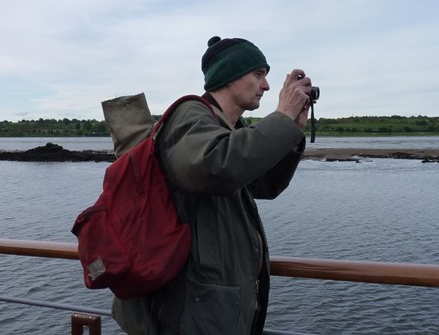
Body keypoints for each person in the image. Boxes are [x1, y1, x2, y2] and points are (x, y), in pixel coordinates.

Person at [113, 36, 313, 334]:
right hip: (190, 312)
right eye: (258, 74)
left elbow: (267, 184)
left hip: (212, 309)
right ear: (229, 75)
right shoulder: (190, 114)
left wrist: (292, 132)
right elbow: (215, 169)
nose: (267, 86)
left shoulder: (227, 131)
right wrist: (281, 117)